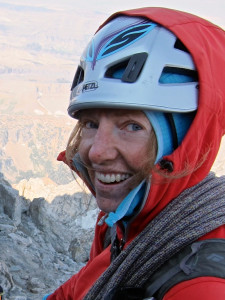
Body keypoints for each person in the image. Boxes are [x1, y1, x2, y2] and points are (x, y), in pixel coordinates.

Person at [43, 6, 225, 300]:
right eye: (90, 123)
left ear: (184, 141)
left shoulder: (202, 285)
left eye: (131, 126)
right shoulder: (122, 226)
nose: (97, 152)